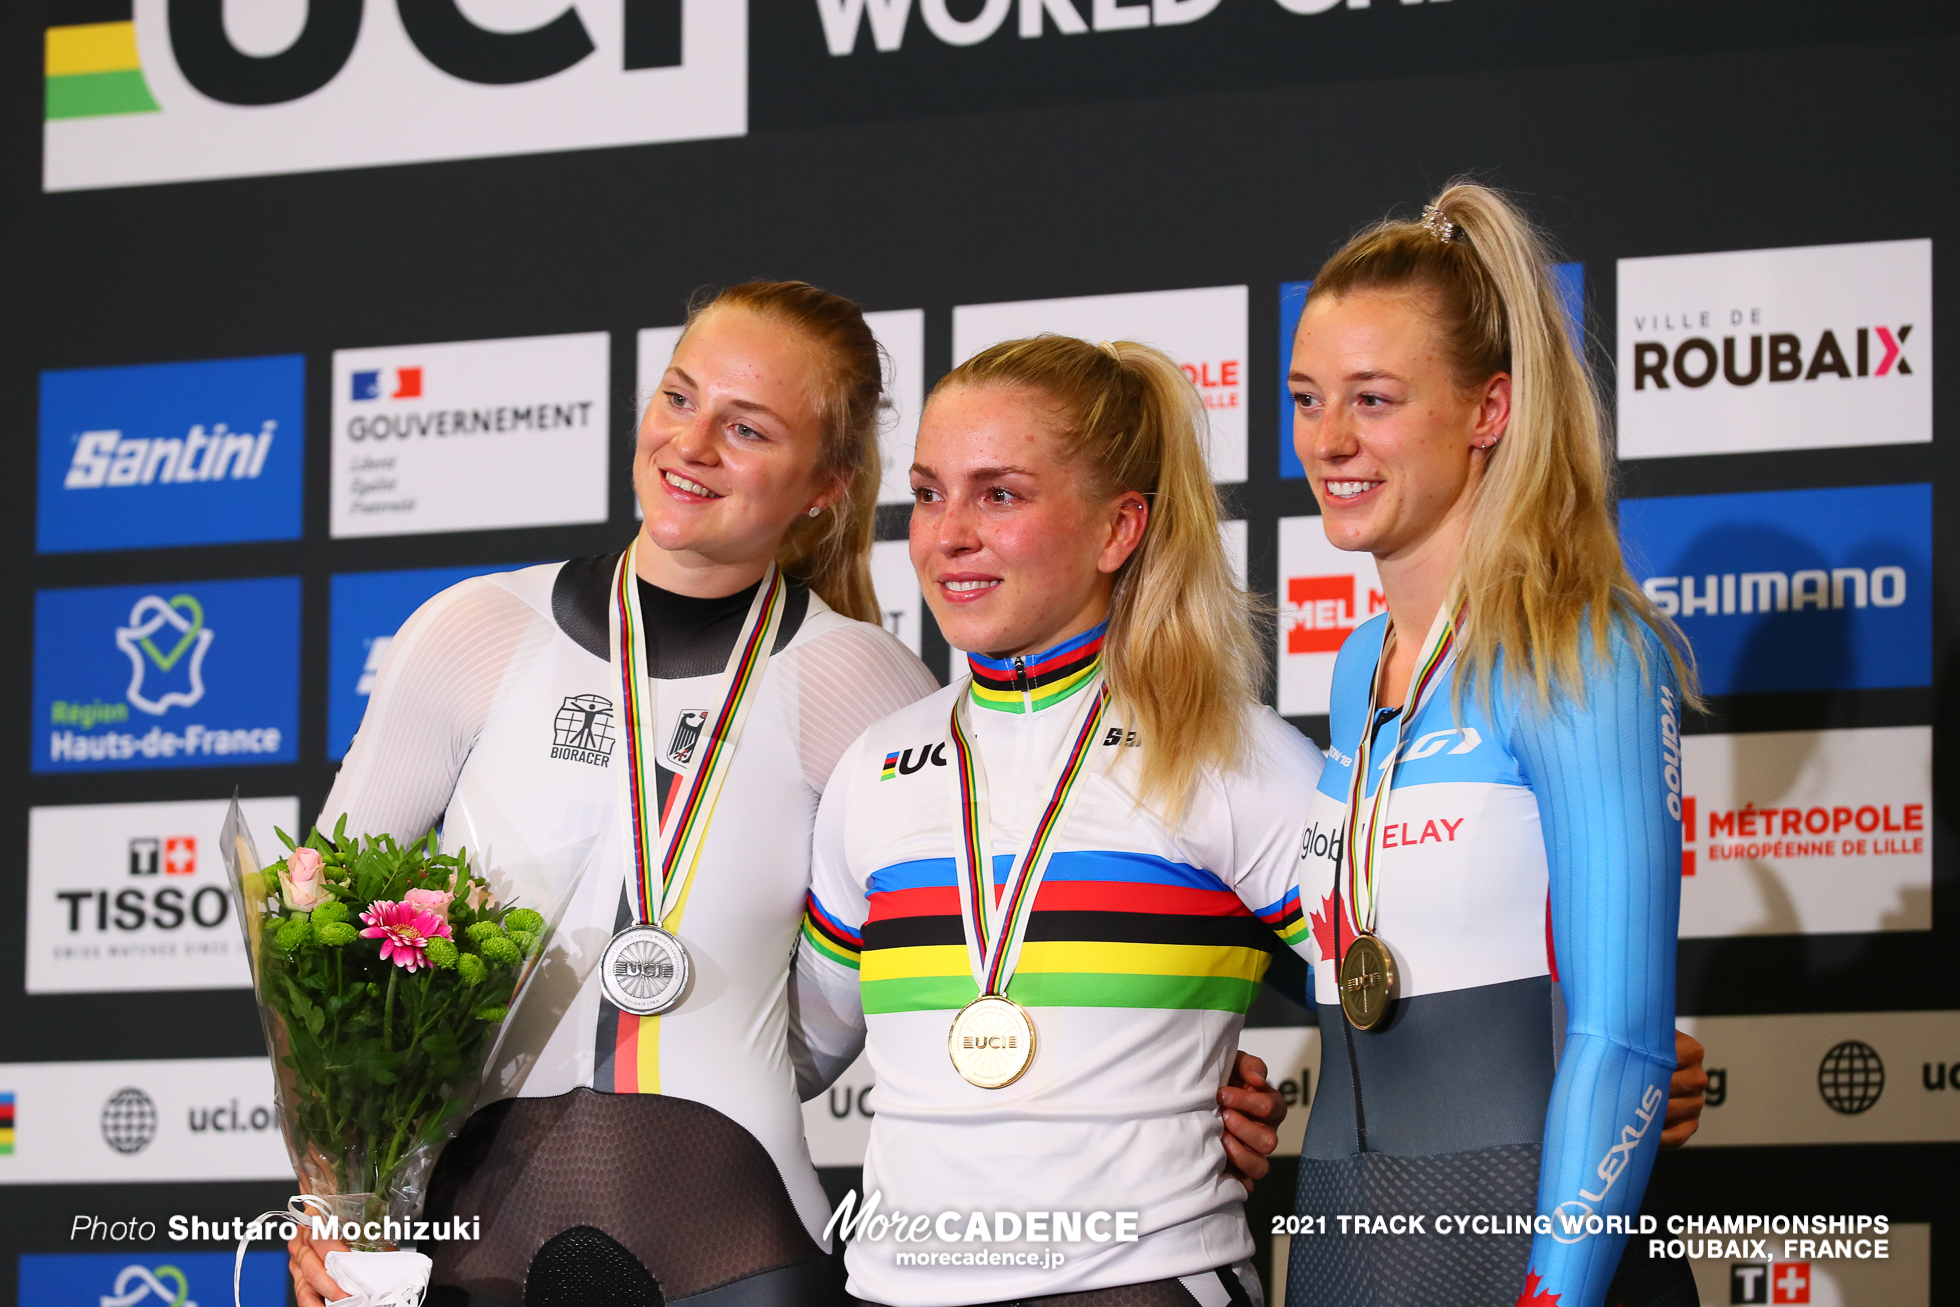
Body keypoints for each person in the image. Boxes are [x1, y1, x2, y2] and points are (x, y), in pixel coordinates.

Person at [288, 283, 1288, 1307]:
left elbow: (992, 940)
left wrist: (1187, 1079)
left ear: (825, 485)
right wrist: (331, 1192)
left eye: (747, 426)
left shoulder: (867, 688)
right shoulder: (472, 630)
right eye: (680, 398)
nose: (694, 443)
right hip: (464, 1234)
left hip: (736, 1243)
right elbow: (310, 933)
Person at [799, 334, 1321, 1306]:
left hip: (1138, 1283)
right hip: (887, 1287)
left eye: (999, 494)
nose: (947, 533)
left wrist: (1606, 1053)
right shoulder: (875, 765)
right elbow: (793, 1048)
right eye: (927, 491)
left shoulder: (1227, 752)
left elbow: (1413, 1005)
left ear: (1119, 529)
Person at [1282, 184, 1696, 1307]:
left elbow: (1621, 1035)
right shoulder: (1356, 661)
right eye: (1308, 397)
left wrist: (1553, 1292)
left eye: (1373, 399)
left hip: (1534, 1243)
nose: (1329, 439)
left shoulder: (1585, 649)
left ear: (1488, 408)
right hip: (1335, 1241)